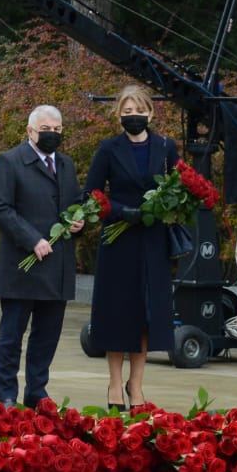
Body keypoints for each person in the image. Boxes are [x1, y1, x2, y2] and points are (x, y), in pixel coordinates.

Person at [83, 85, 177, 411]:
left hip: (152, 241)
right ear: (118, 115)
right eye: (126, 110)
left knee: (145, 315)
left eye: (138, 110)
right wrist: (124, 212)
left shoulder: (166, 147)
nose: (132, 115)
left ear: (150, 113)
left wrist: (162, 209)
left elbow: (180, 189)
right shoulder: (108, 149)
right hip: (119, 240)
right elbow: (91, 195)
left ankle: (136, 384)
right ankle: (113, 382)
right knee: (118, 313)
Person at [0, 105, 84, 408]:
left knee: (46, 337)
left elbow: (74, 203)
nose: (52, 134)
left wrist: (79, 221)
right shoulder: (10, 162)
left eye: (57, 129)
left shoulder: (66, 165)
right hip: (23, 268)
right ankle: (6, 395)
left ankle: (37, 391)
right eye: (46, 129)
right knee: (12, 337)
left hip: (57, 269)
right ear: (30, 131)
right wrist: (32, 239)